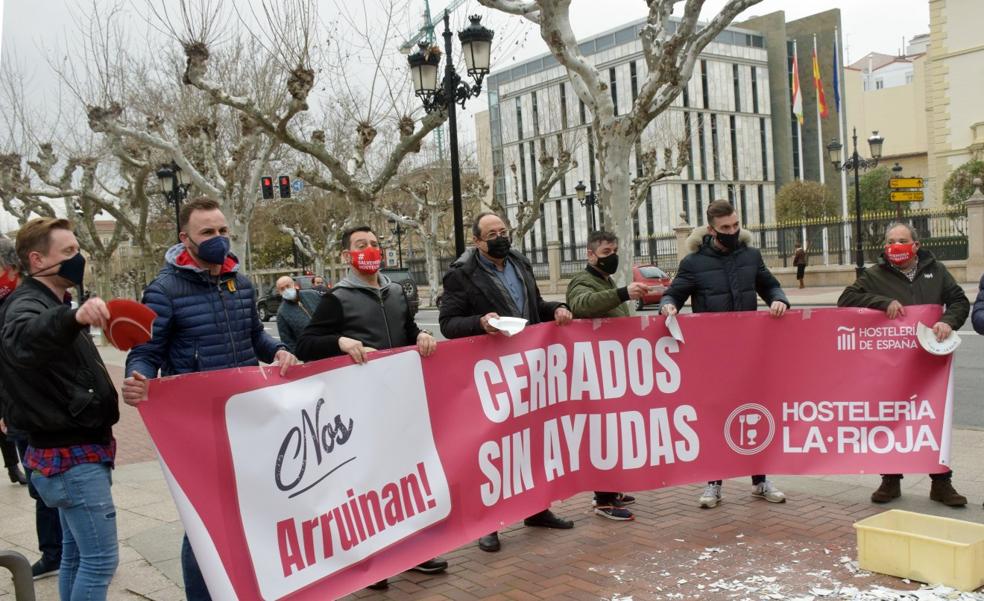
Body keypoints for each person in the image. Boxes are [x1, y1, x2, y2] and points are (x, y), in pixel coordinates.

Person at [121, 197, 299, 601]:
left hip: (246, 415)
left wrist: (277, 350)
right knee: (204, 521)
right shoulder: (164, 289)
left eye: (222, 231)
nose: (219, 239)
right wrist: (140, 376)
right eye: (208, 233)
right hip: (198, 424)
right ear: (186, 239)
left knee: (252, 507)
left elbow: (254, 335)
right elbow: (147, 351)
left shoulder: (241, 281)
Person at [295, 225, 446, 590]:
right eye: (361, 245)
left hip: (400, 401)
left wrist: (421, 335)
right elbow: (306, 344)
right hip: (357, 408)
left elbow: (406, 328)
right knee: (366, 485)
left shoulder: (395, 292)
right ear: (348, 256)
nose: (370, 249)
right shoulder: (338, 298)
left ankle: (413, 551)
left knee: (405, 480)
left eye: (375, 244)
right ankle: (372, 559)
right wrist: (341, 341)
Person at [439, 211, 575, 552]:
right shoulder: (461, 275)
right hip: (492, 374)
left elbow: (535, 306)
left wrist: (556, 307)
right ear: (477, 241)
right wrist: (480, 322)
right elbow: (449, 324)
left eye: (503, 230)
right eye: (492, 233)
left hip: (529, 368)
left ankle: (537, 508)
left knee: (532, 441)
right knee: (493, 449)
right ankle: (488, 523)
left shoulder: (519, 262)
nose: (501, 237)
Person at [0, 218, 120, 600]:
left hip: (71, 453)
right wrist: (73, 317)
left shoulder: (50, 301)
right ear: (37, 259)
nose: (78, 258)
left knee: (74, 556)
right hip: (71, 458)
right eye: (68, 252)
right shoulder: (28, 304)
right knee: (100, 561)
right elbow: (23, 338)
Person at [660, 200, 789, 509]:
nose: (732, 232)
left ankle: (760, 481)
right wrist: (669, 304)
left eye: (735, 225)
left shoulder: (751, 256)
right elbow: (674, 292)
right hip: (714, 356)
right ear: (711, 229)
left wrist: (779, 299)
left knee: (754, 413)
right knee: (716, 416)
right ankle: (713, 482)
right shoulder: (693, 263)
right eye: (725, 228)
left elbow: (769, 285)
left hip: (749, 352)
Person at [837, 222, 969, 506]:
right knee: (890, 416)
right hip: (892, 361)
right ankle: (890, 478)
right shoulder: (874, 275)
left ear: (916, 245)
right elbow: (846, 299)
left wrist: (948, 321)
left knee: (934, 418)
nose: (896, 246)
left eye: (902, 240)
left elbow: (959, 301)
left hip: (930, 358)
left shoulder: (936, 271)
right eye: (891, 241)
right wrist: (881, 302)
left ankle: (941, 482)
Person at [565, 230, 648, 521]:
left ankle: (611, 488)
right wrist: (623, 293)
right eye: (605, 253)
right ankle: (604, 499)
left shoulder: (604, 279)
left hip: (610, 369)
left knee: (614, 430)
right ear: (590, 255)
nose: (611, 257)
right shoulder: (582, 281)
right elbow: (581, 305)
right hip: (595, 372)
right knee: (603, 432)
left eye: (614, 251)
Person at [0, 234, 63, 579]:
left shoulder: (22, 303)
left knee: (47, 488)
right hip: (20, 409)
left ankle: (59, 552)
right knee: (43, 488)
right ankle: (59, 551)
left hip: (33, 410)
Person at [274, 275, 320, 353]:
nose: (286, 290)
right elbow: (287, 341)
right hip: (311, 354)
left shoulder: (312, 294)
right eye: (282, 289)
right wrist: (301, 354)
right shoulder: (282, 313)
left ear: (294, 285)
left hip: (330, 343)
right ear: (279, 292)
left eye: (288, 286)